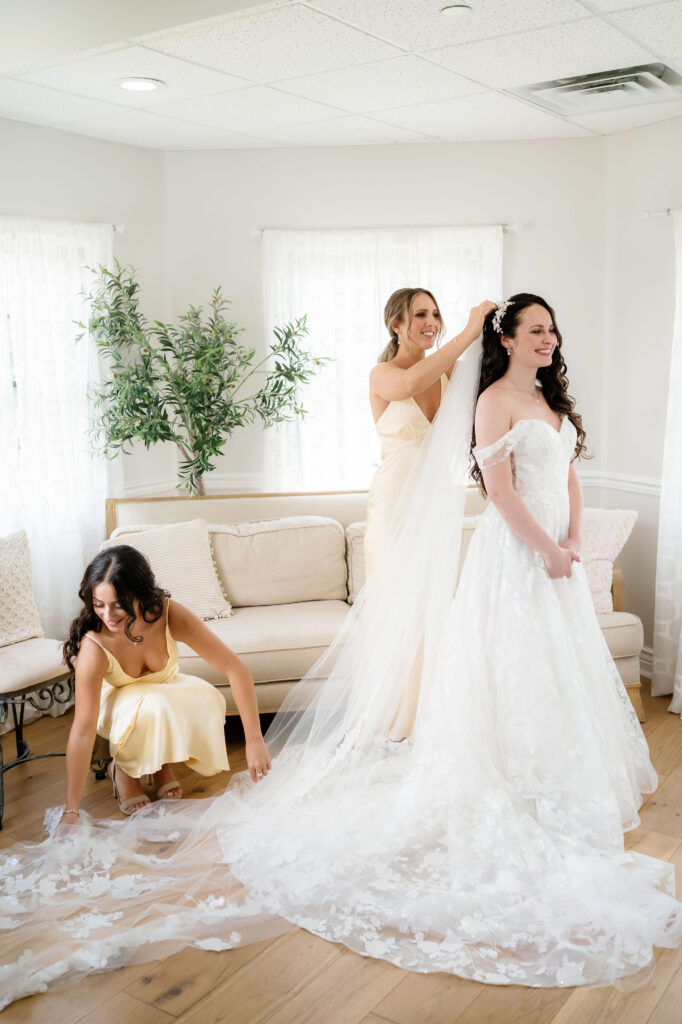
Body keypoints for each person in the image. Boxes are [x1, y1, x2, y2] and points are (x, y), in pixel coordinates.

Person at [1, 296, 681, 1007]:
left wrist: (573, 541)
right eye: (534, 329)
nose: (548, 339)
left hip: (554, 558)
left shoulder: (534, 397)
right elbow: (495, 482)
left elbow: (561, 470)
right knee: (458, 643)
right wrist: (546, 541)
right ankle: (436, 739)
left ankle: (546, 766)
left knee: (550, 670)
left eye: (551, 330)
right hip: (484, 539)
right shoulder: (438, 387)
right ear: (503, 338)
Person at [59, 545, 270, 826]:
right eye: (99, 604)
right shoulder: (95, 645)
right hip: (115, 705)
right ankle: (123, 770)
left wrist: (254, 740)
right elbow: (83, 730)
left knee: (207, 698)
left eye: (118, 604)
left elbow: (235, 668)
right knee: (155, 707)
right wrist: (71, 811)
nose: (107, 615)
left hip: (162, 689)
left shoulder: (166, 613)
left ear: (140, 595)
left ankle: (159, 766)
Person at [365, 288, 496, 737]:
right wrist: (467, 330)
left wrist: (496, 329)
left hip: (435, 504)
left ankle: (426, 713)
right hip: (394, 504)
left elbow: (490, 385)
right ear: (397, 325)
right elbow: (410, 384)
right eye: (420, 314)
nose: (431, 321)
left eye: (436, 314)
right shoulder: (383, 374)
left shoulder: (451, 373)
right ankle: (395, 716)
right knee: (399, 604)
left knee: (430, 605)